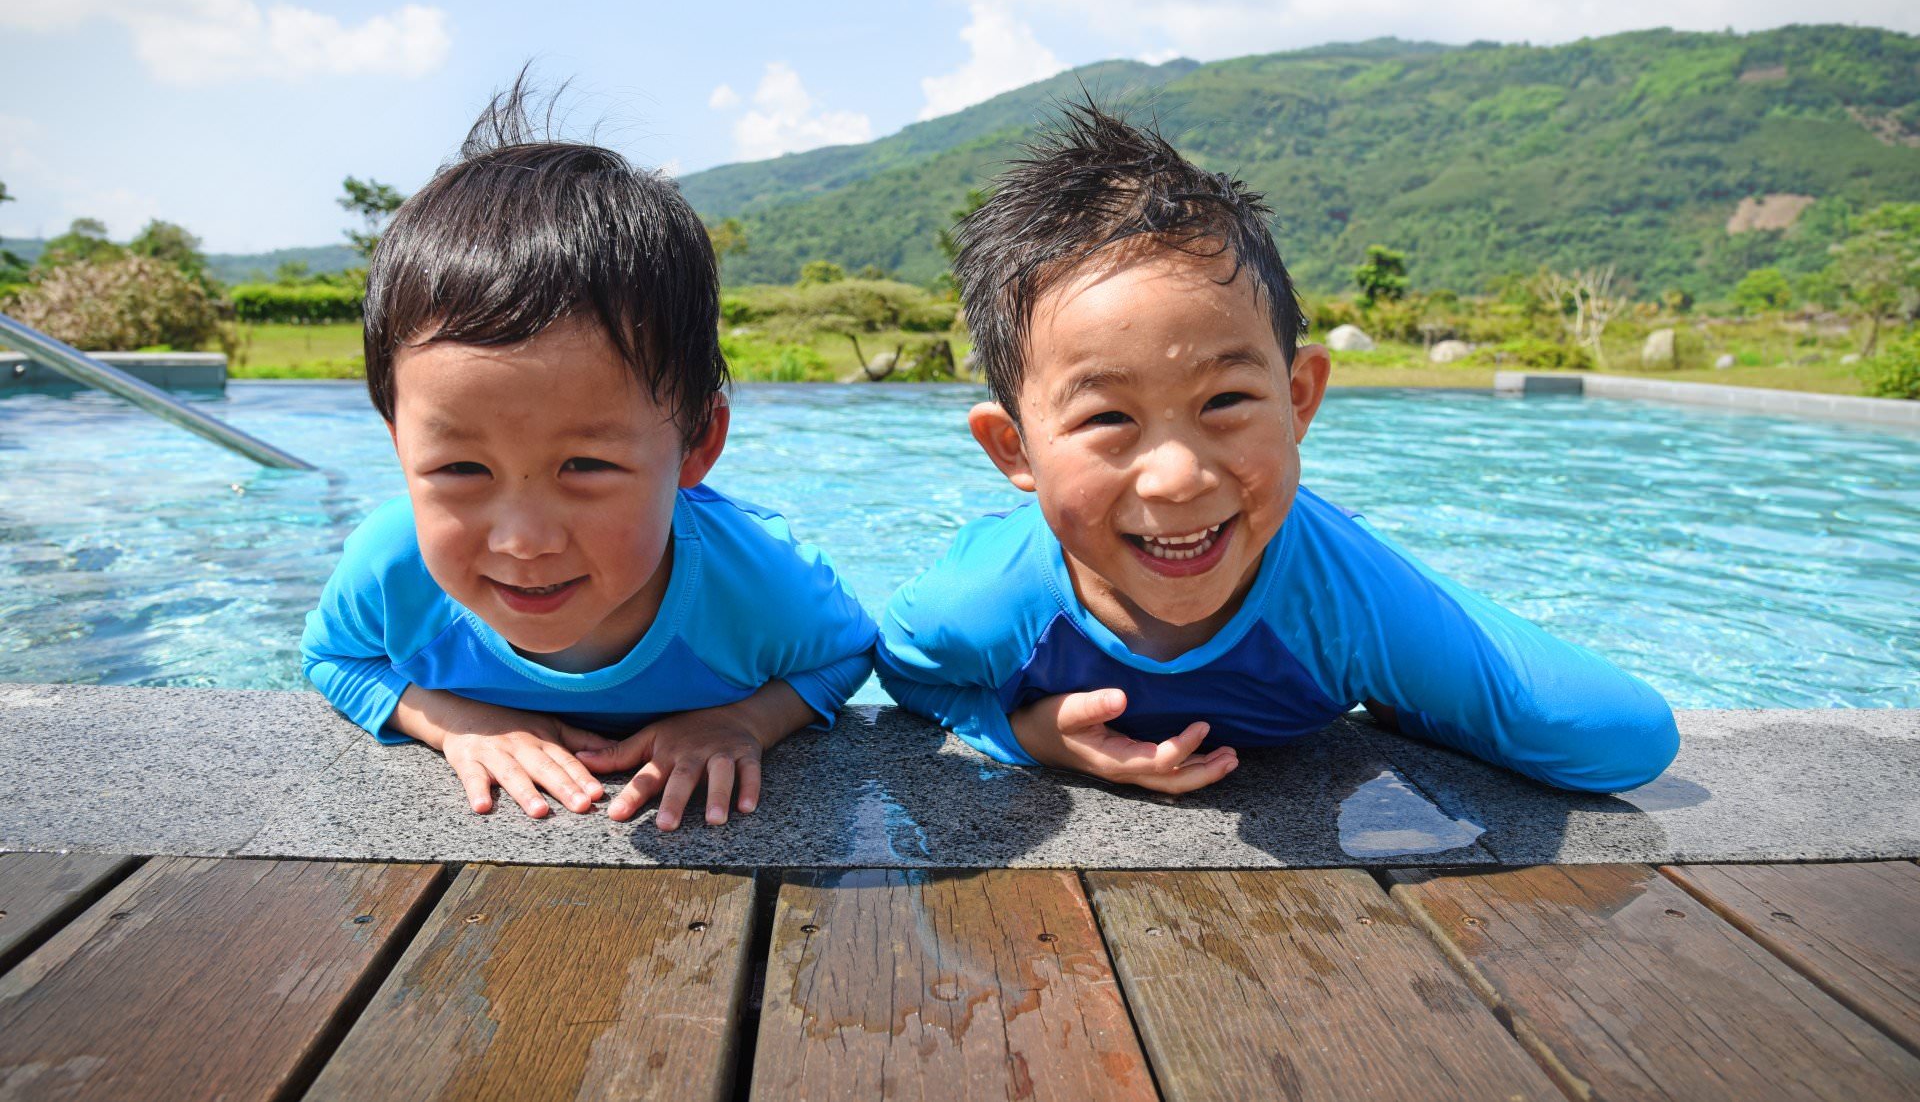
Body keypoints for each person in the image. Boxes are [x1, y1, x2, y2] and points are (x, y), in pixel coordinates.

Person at [875, 103, 1678, 795]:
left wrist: (1420, 694)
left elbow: (1624, 737)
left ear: (1298, 401)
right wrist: (1033, 736)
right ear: (1013, 449)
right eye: (1107, 419)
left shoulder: (1350, 601)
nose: (1179, 476)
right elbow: (906, 671)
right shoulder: (985, 600)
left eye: (1224, 401)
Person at [302, 81, 875, 829]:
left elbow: (848, 653)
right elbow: (333, 660)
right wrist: (451, 723)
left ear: (697, 444)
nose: (524, 540)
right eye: (460, 470)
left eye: (588, 467)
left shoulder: (756, 583)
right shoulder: (393, 566)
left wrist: (745, 722)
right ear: (399, 445)